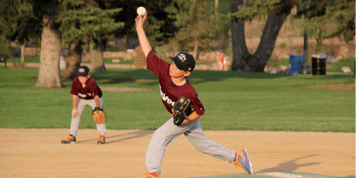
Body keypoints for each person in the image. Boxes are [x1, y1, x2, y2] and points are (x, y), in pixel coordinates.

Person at [135, 14, 253, 178]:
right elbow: (148, 51)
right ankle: (236, 156)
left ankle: (153, 173)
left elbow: (200, 111)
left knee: (160, 135)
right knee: (203, 146)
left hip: (188, 117)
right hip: (183, 118)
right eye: (174, 62)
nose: (173, 67)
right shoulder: (164, 69)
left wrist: (184, 120)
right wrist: (140, 27)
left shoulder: (189, 92)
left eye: (178, 66)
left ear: (187, 72)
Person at [61, 65, 107, 144]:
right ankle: (72, 136)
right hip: (81, 99)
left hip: (94, 100)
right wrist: (74, 108)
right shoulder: (76, 81)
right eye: (79, 76)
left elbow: (96, 97)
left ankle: (101, 136)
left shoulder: (92, 82)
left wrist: (98, 108)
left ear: (88, 76)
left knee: (99, 116)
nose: (81, 79)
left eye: (83, 76)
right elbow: (75, 96)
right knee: (75, 114)